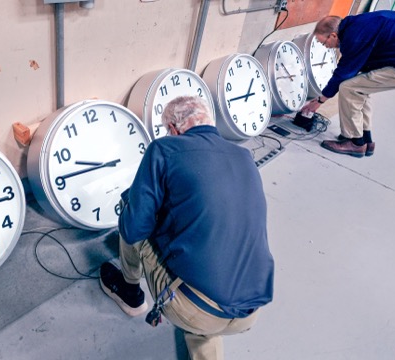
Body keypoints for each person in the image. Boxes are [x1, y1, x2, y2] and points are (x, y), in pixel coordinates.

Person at [99, 95, 275, 360]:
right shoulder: (244, 155)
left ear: (172, 129)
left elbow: (135, 229)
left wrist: (137, 201)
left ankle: (129, 293)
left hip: (195, 308)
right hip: (252, 309)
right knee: (207, 315)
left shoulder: (163, 149)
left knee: (130, 209)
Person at [300, 11, 395, 158]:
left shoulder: (355, 36)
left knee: (349, 88)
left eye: (323, 42)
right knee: (360, 87)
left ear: (333, 35)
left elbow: (343, 72)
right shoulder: (357, 25)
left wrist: (320, 100)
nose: (326, 46)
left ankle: (355, 143)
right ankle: (366, 139)